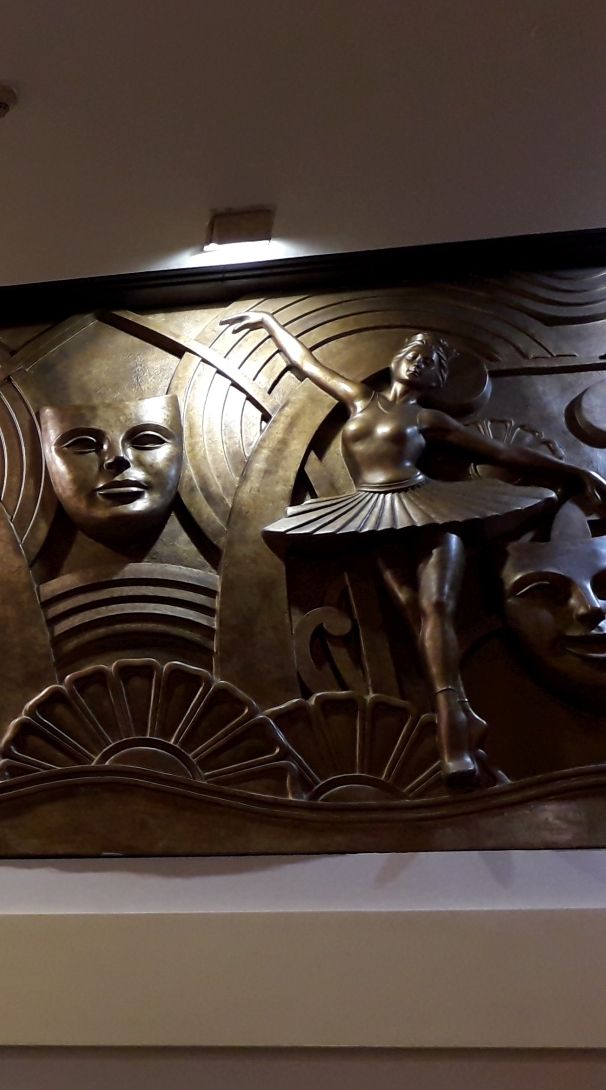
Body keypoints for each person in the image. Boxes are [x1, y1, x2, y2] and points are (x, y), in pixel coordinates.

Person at [221, 312, 606, 785]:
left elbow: (502, 453)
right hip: (374, 515)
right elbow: (306, 364)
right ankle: (461, 715)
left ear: (437, 382)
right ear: (397, 361)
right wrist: (268, 323)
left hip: (431, 510)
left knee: (437, 607)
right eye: (414, 355)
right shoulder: (359, 399)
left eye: (431, 364)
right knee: (411, 616)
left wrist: (573, 471)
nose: (420, 363)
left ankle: (452, 734)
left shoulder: (428, 419)